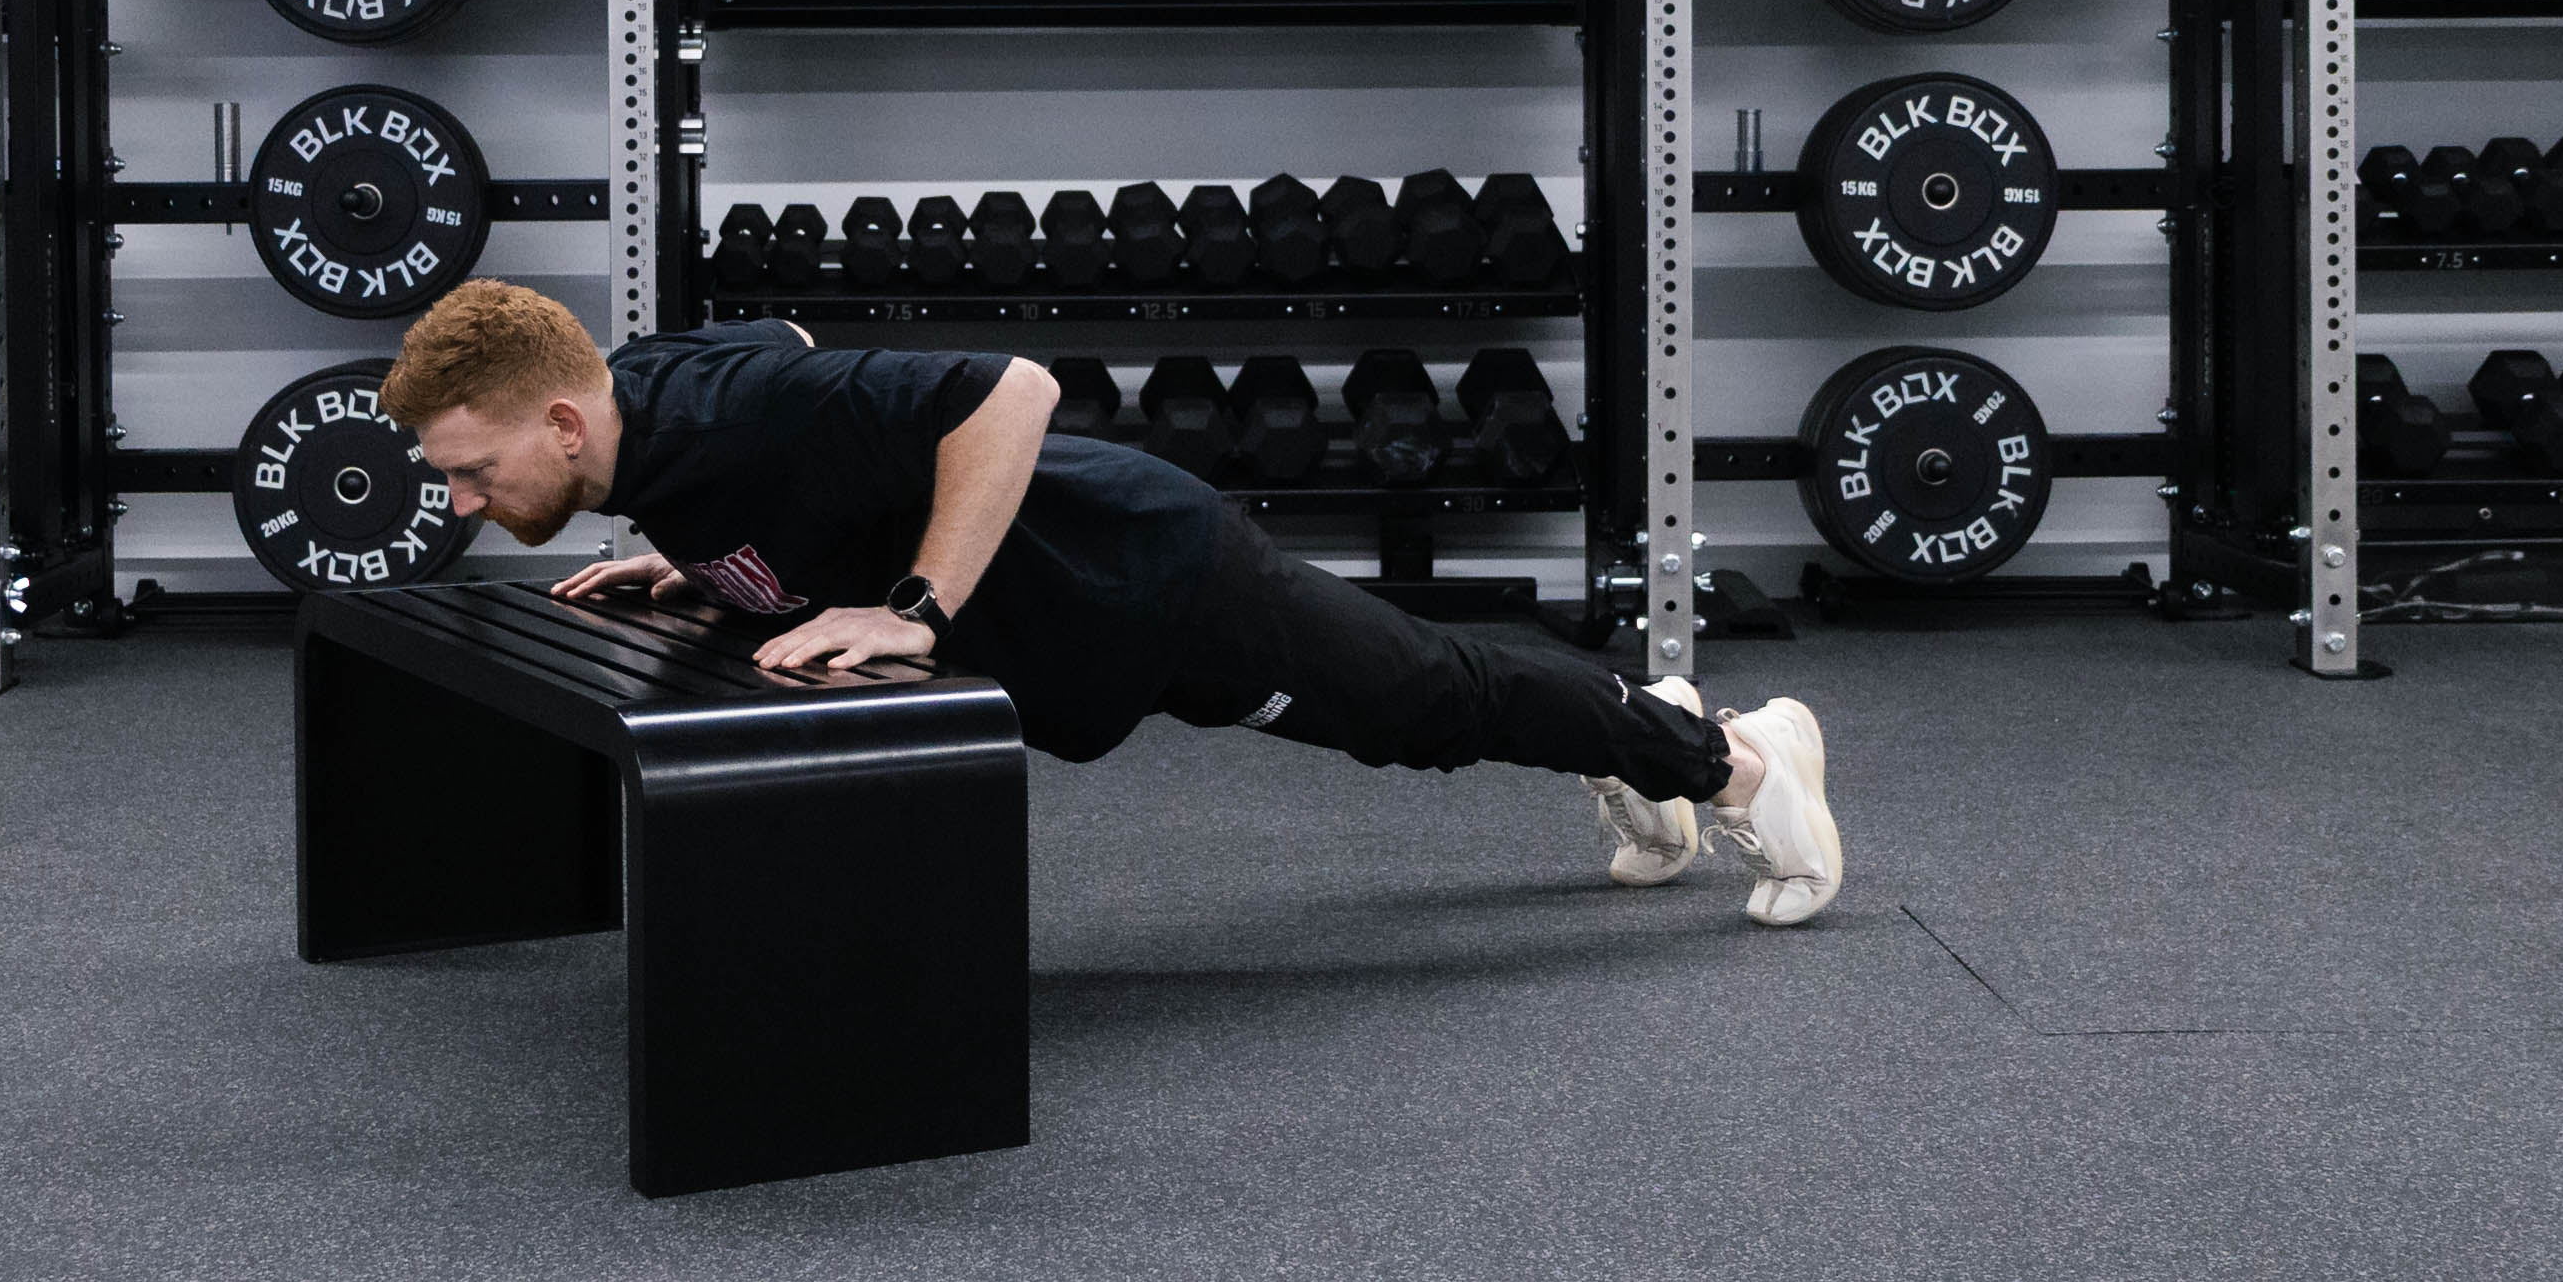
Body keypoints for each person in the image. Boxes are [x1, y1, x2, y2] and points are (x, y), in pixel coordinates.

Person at [373, 279, 1842, 926]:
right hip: (1086, 617)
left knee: (1426, 708)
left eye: (472, 470)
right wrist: (702, 568)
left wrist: (915, 607)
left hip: (1152, 574)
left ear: (563, 427)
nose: (459, 504)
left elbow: (1012, 391)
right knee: (1425, 709)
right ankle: (1630, 744)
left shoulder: (732, 415)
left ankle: (1742, 762)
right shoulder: (648, 397)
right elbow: (801, 347)